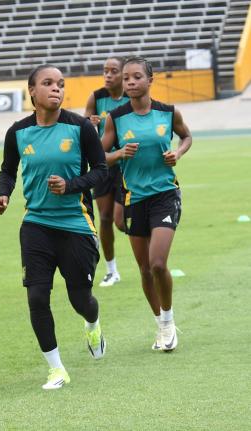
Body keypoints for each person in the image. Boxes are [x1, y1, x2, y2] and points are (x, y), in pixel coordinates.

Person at [0, 64, 108, 390]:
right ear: (32, 91)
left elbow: (101, 171)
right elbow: (8, 170)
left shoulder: (81, 127)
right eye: (47, 83)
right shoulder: (17, 132)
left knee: (80, 299)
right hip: (36, 224)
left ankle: (93, 323)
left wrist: (71, 185)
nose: (56, 88)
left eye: (60, 84)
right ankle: (56, 369)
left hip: (76, 223)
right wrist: (3, 194)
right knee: (37, 297)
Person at [102, 56, 192, 352]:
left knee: (157, 262)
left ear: (150, 80)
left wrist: (178, 153)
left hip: (165, 194)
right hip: (133, 198)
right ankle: (160, 325)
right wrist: (119, 155)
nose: (129, 82)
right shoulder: (116, 117)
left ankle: (168, 321)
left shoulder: (168, 112)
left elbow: (187, 136)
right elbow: (99, 156)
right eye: (126, 78)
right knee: (143, 269)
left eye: (136, 77)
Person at [84, 57, 129, 287]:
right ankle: (112, 271)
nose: (108, 75)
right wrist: (89, 123)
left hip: (126, 167)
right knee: (104, 218)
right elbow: (85, 128)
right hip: (103, 166)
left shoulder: (132, 98)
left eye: (114, 71)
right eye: (105, 71)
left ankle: (149, 249)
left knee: (121, 221)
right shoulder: (96, 97)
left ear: (124, 74)